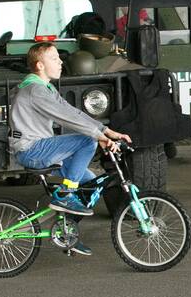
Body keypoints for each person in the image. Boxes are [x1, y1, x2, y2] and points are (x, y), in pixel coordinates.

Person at [9, 42, 132, 255]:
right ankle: (66, 193)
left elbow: (72, 112)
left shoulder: (45, 88)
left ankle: (68, 234)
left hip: (41, 149)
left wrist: (107, 131)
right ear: (39, 65)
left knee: (90, 185)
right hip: (32, 150)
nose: (61, 62)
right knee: (86, 141)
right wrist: (98, 136)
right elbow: (67, 118)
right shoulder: (34, 90)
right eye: (54, 59)